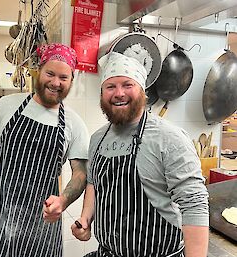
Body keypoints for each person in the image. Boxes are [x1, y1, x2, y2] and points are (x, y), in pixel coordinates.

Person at [0, 43, 89, 257]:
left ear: (71, 81)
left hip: (40, 225)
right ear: (38, 71)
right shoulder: (6, 106)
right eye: (50, 74)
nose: (55, 82)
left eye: (64, 77)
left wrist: (63, 201)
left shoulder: (75, 124)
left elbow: (81, 174)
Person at [71, 51, 209, 257]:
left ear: (142, 92)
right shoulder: (98, 138)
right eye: (110, 86)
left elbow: (194, 204)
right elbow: (93, 183)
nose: (118, 93)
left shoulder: (169, 138)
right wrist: (85, 218)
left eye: (128, 85)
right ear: (102, 94)